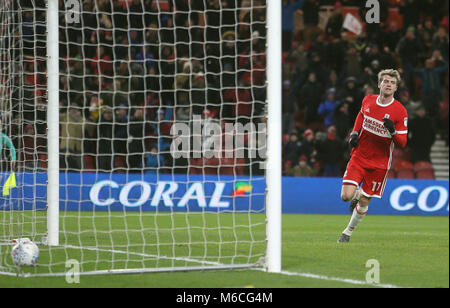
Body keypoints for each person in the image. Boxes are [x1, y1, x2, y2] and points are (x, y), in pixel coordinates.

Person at [338, 69, 408, 243]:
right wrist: (354, 133)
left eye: (392, 82)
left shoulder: (400, 111)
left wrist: (392, 131)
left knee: (363, 202)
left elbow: (402, 143)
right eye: (385, 81)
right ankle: (356, 195)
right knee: (346, 196)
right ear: (379, 84)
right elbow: (361, 116)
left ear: (396, 87)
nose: (388, 84)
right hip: (359, 156)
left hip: (379, 164)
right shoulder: (368, 100)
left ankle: (347, 233)